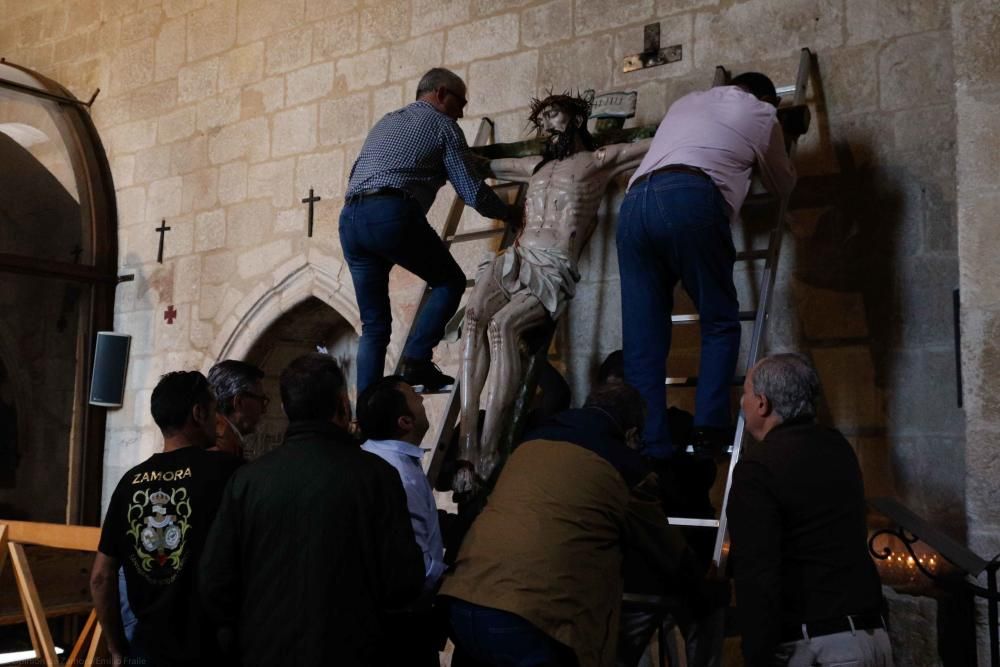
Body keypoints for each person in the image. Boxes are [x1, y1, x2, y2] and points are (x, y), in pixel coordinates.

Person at [456, 93, 652, 492]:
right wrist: (447, 151)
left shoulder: (599, 161)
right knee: (473, 318)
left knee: (503, 328)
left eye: (554, 115)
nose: (548, 125)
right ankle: (466, 444)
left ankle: (489, 448)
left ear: (577, 118)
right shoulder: (535, 166)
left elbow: (656, 145)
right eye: (543, 118)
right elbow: (484, 163)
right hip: (516, 256)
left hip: (553, 264)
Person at [440, 383, 701, 667]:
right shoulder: (625, 468)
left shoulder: (530, 443)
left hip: (463, 603)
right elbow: (666, 549)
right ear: (632, 434)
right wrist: (704, 585)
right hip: (531, 618)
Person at [198, 353, 424, 666]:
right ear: (343, 405)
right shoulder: (377, 476)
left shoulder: (248, 480)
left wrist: (246, 636)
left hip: (264, 652)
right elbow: (403, 580)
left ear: (285, 409)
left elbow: (215, 581)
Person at [617, 72, 796, 459]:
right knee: (719, 321)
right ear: (766, 97)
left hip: (633, 205)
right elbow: (783, 186)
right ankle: (709, 430)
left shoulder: (686, 101)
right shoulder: (763, 113)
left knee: (643, 341)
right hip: (691, 196)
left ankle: (651, 445)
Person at [341, 67, 520, 396]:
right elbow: (472, 192)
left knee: (374, 325)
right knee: (449, 281)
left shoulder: (387, 121)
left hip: (351, 220)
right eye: (460, 102)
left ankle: (367, 410)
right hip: (389, 214)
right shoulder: (443, 125)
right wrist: (510, 213)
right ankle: (417, 360)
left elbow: (359, 170)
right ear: (440, 93)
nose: (462, 112)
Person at [728, 353, 892, 666]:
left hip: (819, 645)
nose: (741, 402)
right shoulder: (837, 447)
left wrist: (757, 654)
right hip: (871, 636)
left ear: (762, 404)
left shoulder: (758, 469)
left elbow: (758, 573)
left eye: (746, 393)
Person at [90, 371, 241, 665]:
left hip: (147, 650)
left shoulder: (129, 482)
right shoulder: (227, 472)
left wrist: (117, 647)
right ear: (198, 413)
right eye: (214, 412)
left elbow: (100, 577)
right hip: (209, 649)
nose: (217, 421)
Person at [357, 376, 447, 666]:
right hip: (404, 622)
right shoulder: (399, 475)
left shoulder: (374, 456)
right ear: (404, 422)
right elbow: (413, 559)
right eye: (414, 398)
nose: (422, 400)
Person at [207, 359, 267, 459]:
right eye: (261, 400)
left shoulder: (211, 436)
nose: (264, 410)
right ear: (239, 402)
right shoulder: (222, 449)